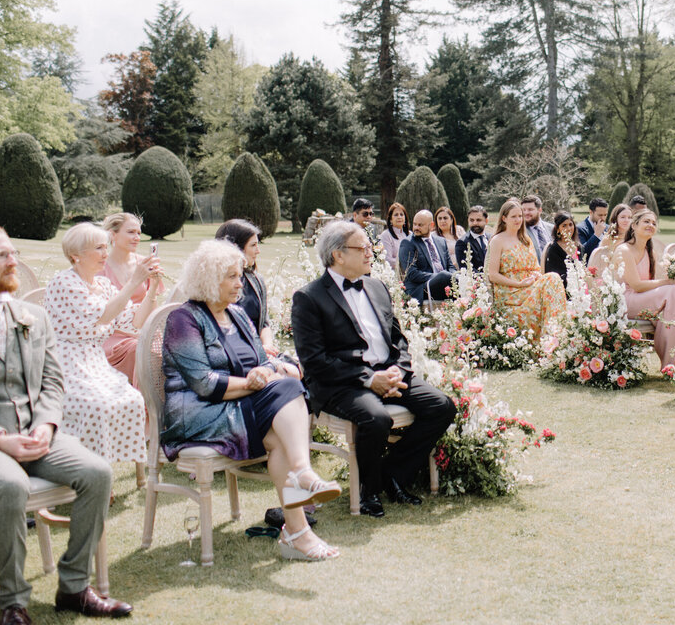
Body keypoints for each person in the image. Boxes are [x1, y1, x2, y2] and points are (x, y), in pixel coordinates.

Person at [0, 225, 133, 621]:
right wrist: (0, 440)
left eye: (12, 253)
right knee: (10, 484)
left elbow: (52, 385)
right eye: (1, 255)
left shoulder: (34, 317)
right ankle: (13, 601)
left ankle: (74, 587)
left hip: (36, 434)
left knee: (96, 472)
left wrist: (46, 426)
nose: (13, 261)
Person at [161, 239, 340, 560]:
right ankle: (302, 480)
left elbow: (261, 361)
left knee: (282, 417)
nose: (239, 282)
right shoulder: (183, 320)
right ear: (208, 279)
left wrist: (275, 368)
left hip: (239, 406)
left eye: (239, 275)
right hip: (200, 415)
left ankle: (297, 533)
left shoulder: (239, 315)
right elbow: (203, 384)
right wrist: (254, 381)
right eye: (231, 276)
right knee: (286, 391)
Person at [291, 221, 455, 518]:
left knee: (441, 406)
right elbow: (315, 361)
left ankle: (393, 474)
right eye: (363, 247)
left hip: (389, 373)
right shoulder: (309, 298)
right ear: (338, 255)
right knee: (377, 419)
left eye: (371, 246)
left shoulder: (377, 286)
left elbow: (398, 340)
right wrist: (370, 380)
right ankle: (369, 491)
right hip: (343, 383)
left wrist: (397, 371)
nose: (372, 252)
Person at [44, 224, 158, 472]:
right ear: (76, 255)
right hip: (66, 362)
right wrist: (134, 282)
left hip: (95, 361)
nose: (105, 253)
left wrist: (152, 289)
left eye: (105, 246)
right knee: (96, 405)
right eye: (98, 248)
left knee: (132, 398)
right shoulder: (64, 282)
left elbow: (133, 323)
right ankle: (92, 472)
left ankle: (117, 468)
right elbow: (104, 316)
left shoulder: (103, 285)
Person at [617, 210, 675, 369]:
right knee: (671, 291)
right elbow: (637, 285)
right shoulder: (624, 250)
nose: (651, 225)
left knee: (668, 315)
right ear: (634, 225)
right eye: (646, 221)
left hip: (643, 300)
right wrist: (667, 282)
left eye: (653, 223)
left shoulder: (650, 252)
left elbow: (653, 283)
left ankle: (671, 365)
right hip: (626, 300)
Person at [486, 198, 567, 340]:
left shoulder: (525, 239)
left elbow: (536, 268)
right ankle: (554, 337)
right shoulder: (497, 240)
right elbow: (492, 275)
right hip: (511, 292)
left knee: (553, 278)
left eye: (520, 216)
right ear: (504, 218)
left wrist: (535, 275)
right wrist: (518, 284)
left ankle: (555, 333)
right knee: (553, 278)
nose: (518, 220)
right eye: (513, 216)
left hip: (530, 286)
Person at [99, 212, 164, 382]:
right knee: (138, 350)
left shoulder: (144, 263)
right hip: (113, 334)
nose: (136, 237)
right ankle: (141, 406)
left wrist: (153, 286)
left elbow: (152, 313)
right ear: (113, 235)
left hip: (143, 329)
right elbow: (102, 316)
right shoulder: (100, 268)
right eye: (131, 232)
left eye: (139, 233)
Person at [215, 218, 277, 352]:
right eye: (253, 245)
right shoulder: (216, 284)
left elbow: (264, 324)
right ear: (236, 248)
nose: (258, 251)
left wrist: (267, 346)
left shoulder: (257, 281)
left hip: (259, 350)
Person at [398, 210, 455, 302]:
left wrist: (454, 276)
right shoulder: (408, 243)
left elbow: (450, 266)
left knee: (466, 278)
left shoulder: (441, 241)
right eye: (415, 224)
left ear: (431, 226)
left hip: (445, 283)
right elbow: (412, 274)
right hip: (421, 288)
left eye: (420, 225)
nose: (416, 228)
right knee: (444, 275)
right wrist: (438, 277)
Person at [587, 203, 633, 277]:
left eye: (630, 217)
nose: (626, 220)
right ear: (616, 218)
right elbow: (601, 264)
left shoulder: (634, 237)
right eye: (623, 217)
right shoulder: (608, 239)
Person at [542, 212, 580, 289]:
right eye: (564, 226)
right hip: (561, 290)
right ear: (558, 229)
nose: (568, 229)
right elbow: (554, 275)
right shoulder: (554, 249)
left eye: (570, 224)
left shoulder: (579, 247)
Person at [455, 206, 490, 273]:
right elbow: (466, 269)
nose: (475, 223)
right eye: (472, 220)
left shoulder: (491, 238)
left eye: (478, 220)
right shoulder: (462, 242)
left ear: (486, 221)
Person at [379, 202, 410, 269]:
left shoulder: (410, 235)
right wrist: (407, 263)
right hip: (394, 273)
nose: (399, 217)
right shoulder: (386, 235)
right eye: (396, 215)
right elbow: (387, 260)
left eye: (401, 214)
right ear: (390, 220)